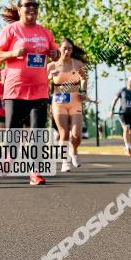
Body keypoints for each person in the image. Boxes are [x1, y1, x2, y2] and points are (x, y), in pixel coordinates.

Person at [0, 0, 59, 185]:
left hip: (39, 90)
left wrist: (55, 54)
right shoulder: (11, 30)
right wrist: (13, 53)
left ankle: (35, 171)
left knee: (37, 131)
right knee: (13, 130)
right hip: (15, 89)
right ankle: (10, 155)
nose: (32, 8)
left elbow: (55, 53)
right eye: (27, 5)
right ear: (19, 9)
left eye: (35, 5)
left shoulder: (46, 33)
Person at [48, 38, 87, 172]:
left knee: (77, 135)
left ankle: (74, 151)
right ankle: (65, 161)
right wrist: (49, 77)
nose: (67, 51)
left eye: (70, 49)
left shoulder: (77, 64)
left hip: (75, 101)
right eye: (64, 48)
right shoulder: (51, 66)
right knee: (64, 133)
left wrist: (84, 91)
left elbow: (83, 79)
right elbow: (42, 82)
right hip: (59, 103)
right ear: (59, 49)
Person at [110, 76, 131, 156]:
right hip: (123, 113)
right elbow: (115, 99)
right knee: (126, 129)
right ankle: (127, 147)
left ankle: (129, 146)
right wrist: (111, 110)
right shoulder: (123, 90)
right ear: (128, 81)